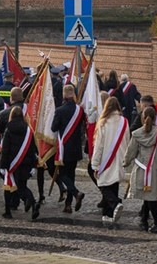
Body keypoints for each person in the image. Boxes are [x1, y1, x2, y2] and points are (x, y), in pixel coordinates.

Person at [124, 105, 157, 232]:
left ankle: (156, 222)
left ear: (143, 118)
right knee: (151, 194)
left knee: (149, 196)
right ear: (155, 118)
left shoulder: (137, 134)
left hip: (142, 168)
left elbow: (131, 151)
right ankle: (144, 219)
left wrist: (125, 162)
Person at [89, 94, 130, 225]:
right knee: (113, 183)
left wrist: (95, 163)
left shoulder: (103, 122)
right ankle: (108, 213)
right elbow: (127, 140)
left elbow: (99, 145)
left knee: (102, 183)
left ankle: (115, 202)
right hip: (119, 157)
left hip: (106, 158)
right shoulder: (124, 121)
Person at [0, 105, 40, 220]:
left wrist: (2, 165)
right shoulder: (28, 129)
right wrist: (34, 165)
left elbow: (5, 149)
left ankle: (7, 211)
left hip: (12, 163)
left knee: (8, 187)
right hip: (26, 162)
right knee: (22, 186)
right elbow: (32, 148)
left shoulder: (9, 128)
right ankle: (33, 203)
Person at [50, 83, 88, 212]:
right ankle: (68, 205)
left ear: (64, 95)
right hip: (76, 147)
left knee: (62, 175)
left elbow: (53, 128)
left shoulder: (60, 110)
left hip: (64, 148)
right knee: (71, 175)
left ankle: (76, 193)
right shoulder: (80, 110)